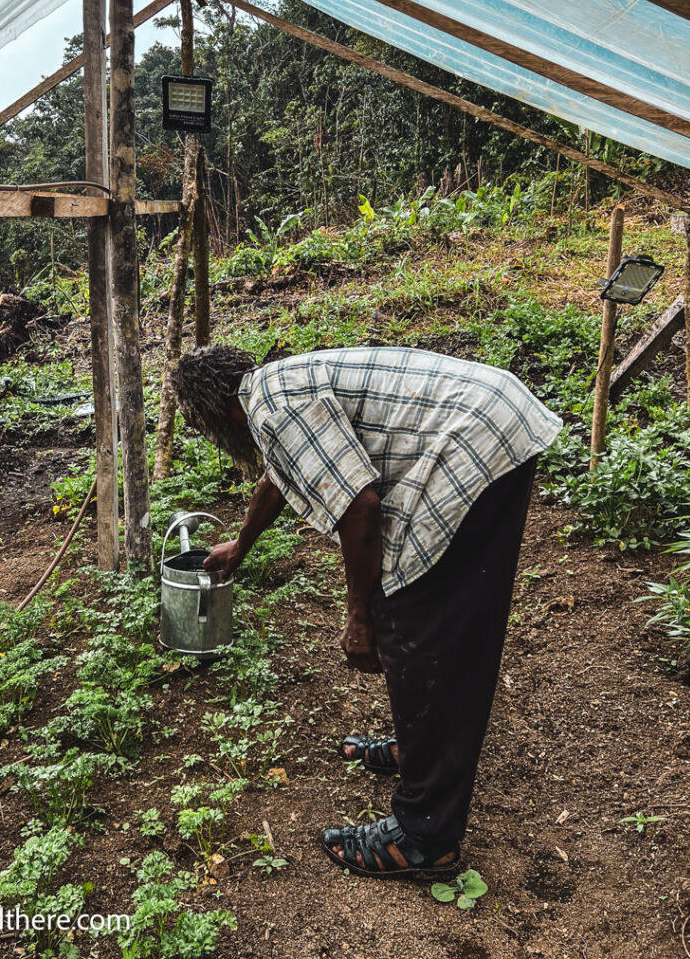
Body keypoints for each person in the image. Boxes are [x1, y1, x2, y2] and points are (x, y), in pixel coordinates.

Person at [172, 344, 562, 879]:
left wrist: (360, 617)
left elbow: (360, 508)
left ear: (215, 413)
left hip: (473, 442)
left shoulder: (273, 406)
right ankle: (417, 750)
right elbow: (277, 478)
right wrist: (240, 547)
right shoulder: (276, 386)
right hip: (498, 421)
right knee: (441, 617)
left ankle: (425, 837)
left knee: (410, 620)